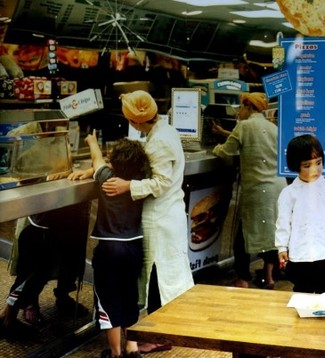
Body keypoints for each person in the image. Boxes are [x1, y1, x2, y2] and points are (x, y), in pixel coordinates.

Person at [101, 90, 194, 354]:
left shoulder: (159, 141)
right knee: (163, 273)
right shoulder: (165, 131)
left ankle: (157, 335)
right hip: (169, 214)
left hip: (161, 216)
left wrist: (127, 185)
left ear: (135, 120)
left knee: (157, 274)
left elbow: (161, 183)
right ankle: (160, 330)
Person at [77, 130, 151, 358]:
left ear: (115, 161)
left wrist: (91, 140)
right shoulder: (139, 183)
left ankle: (115, 352)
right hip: (135, 247)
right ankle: (132, 348)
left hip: (109, 250)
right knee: (130, 296)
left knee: (108, 300)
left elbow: (97, 160)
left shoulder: (108, 178)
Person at [212, 92, 286, 290]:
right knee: (271, 233)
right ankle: (269, 277)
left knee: (243, 235)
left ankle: (242, 278)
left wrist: (216, 148)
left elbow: (226, 151)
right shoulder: (272, 127)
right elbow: (256, 142)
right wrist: (224, 132)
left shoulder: (243, 126)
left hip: (257, 189)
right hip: (278, 188)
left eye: (240, 108)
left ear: (248, 107)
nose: (238, 112)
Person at [0, 202, 91, 339]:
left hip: (66, 216)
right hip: (43, 219)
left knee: (49, 267)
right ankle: (8, 318)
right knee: (32, 273)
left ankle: (8, 317)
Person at [275, 134, 325, 294]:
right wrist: (282, 247)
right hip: (299, 256)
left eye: (318, 163)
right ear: (296, 166)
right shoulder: (288, 193)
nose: (315, 169)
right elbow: (283, 222)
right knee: (302, 295)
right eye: (307, 165)